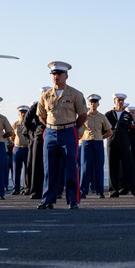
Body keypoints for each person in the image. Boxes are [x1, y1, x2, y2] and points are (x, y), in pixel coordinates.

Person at [37, 61, 88, 209]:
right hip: (51, 132)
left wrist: (73, 128)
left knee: (71, 167)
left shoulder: (76, 94)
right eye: (54, 74)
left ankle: (73, 200)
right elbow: (41, 116)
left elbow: (83, 115)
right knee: (49, 168)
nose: (56, 77)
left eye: (59, 74)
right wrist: (51, 126)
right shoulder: (45, 96)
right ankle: (48, 199)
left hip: (68, 131)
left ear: (66, 76)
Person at [106, 93, 135, 197]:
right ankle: (113, 191)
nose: (120, 102)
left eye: (122, 100)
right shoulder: (108, 115)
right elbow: (104, 129)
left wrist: (128, 142)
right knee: (113, 167)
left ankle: (134, 190)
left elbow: (132, 130)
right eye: (118, 100)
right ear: (114, 101)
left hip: (124, 144)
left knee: (129, 166)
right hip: (112, 144)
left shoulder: (127, 115)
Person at [79, 94, 112, 199]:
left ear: (98, 104)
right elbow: (78, 130)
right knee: (85, 167)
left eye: (95, 102)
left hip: (98, 142)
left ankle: (99, 191)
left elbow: (109, 131)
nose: (93, 104)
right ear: (89, 104)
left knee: (99, 167)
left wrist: (101, 137)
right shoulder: (84, 117)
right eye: (91, 102)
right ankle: (83, 191)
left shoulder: (102, 117)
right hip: (86, 142)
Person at [11, 106, 30, 195]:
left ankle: (26, 188)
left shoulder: (30, 123)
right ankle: (16, 188)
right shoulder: (15, 124)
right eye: (21, 113)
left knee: (27, 169)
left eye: (25, 112)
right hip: (18, 148)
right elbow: (12, 137)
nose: (23, 114)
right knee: (16, 169)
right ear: (19, 114)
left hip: (27, 148)